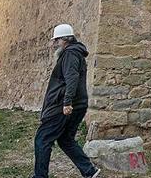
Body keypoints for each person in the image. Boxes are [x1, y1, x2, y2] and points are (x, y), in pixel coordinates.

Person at [32, 24, 100, 178]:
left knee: (42, 139)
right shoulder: (75, 53)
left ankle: (40, 176)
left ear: (65, 40)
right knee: (65, 140)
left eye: (56, 40)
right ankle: (90, 171)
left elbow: (72, 78)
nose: (55, 44)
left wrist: (67, 103)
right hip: (77, 104)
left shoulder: (70, 54)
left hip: (64, 106)